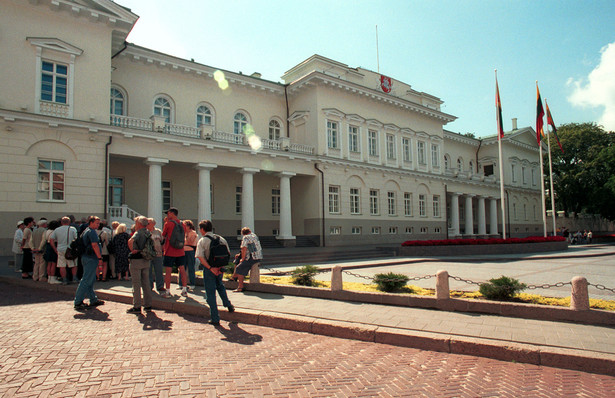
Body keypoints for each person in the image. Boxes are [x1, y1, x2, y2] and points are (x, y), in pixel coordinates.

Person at [195, 219, 234, 325]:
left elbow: (200, 257)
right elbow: (228, 253)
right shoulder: (221, 238)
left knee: (210, 293)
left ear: (202, 229)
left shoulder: (202, 241)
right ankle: (228, 304)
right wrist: (220, 267)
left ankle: (215, 318)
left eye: (199, 228)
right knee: (220, 286)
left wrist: (210, 268)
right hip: (220, 268)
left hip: (210, 269)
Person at [73, 216, 105, 311]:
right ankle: (78, 301)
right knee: (86, 280)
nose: (98, 225)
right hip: (91, 258)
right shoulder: (91, 232)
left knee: (90, 279)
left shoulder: (87, 230)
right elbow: (94, 245)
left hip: (87, 257)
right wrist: (99, 257)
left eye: (99, 223)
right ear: (91, 222)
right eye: (96, 223)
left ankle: (93, 299)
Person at [126, 216, 153, 314]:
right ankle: (148, 305)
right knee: (146, 283)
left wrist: (132, 250)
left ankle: (137, 306)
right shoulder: (148, 232)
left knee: (136, 284)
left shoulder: (138, 232)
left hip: (136, 259)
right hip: (146, 259)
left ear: (139, 223)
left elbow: (130, 241)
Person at [161, 207, 188, 298]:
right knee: (182, 270)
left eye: (168, 213)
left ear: (172, 213)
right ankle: (184, 290)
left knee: (168, 272)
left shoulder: (168, 224)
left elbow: (163, 235)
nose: (167, 215)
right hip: (180, 250)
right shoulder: (182, 224)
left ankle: (168, 291)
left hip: (169, 251)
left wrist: (166, 222)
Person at [232, 227, 263, 292]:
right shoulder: (254, 235)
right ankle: (234, 277)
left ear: (243, 234)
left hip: (252, 257)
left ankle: (240, 287)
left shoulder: (246, 237)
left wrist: (242, 259)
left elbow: (244, 248)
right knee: (238, 259)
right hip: (258, 256)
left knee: (239, 268)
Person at [49, 216, 78, 284]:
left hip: (60, 249)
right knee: (73, 264)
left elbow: (51, 240)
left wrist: (55, 249)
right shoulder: (72, 229)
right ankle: (74, 278)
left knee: (62, 265)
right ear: (69, 222)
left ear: (61, 222)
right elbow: (76, 238)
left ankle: (64, 279)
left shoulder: (57, 230)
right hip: (70, 249)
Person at [147, 218, 165, 294]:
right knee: (148, 271)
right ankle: (149, 286)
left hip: (158, 254)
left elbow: (163, 241)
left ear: (153, 224)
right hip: (148, 254)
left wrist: (162, 249)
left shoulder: (158, 231)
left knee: (159, 270)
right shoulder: (145, 232)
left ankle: (160, 286)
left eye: (149, 223)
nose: (147, 224)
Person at [44, 219, 61, 284]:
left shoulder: (47, 231)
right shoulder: (55, 232)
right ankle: (52, 277)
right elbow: (53, 241)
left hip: (48, 246)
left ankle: (49, 277)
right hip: (53, 246)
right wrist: (55, 249)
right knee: (54, 263)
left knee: (49, 263)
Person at [183, 219, 198, 291]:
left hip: (190, 251)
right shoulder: (183, 233)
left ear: (189, 226)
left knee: (191, 267)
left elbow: (190, 242)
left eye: (185, 225)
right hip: (183, 251)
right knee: (182, 268)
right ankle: (181, 284)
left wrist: (186, 236)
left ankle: (192, 284)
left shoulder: (192, 233)